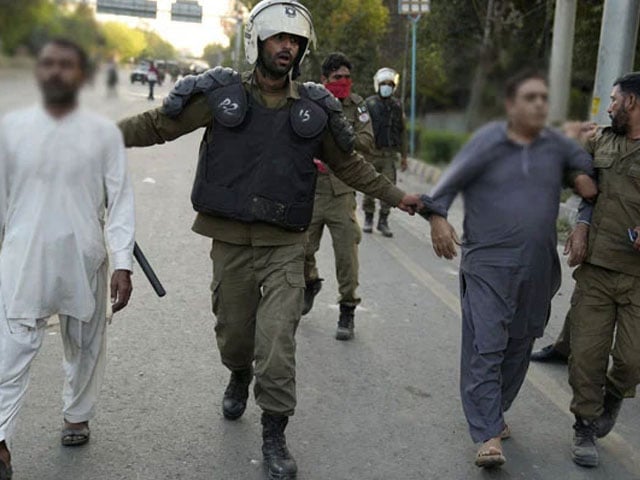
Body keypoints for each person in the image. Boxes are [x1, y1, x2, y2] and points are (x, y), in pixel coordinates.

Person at [116, 2, 421, 478]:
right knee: (235, 338)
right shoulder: (222, 95)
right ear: (257, 41)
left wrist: (401, 197)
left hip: (286, 246)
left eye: (295, 42)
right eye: (279, 39)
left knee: (277, 343)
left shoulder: (314, 109)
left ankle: (274, 434)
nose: (287, 48)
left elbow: (350, 165)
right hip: (231, 241)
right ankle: (237, 374)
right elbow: (158, 124)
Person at [419, 69, 596, 469]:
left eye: (542, 99)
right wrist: (437, 219)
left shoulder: (556, 145)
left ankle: (495, 410)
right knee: (487, 344)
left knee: (520, 343)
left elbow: (592, 186)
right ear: (511, 106)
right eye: (529, 98)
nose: (537, 105)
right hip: (488, 264)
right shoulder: (487, 142)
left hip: (536, 266)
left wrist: (581, 148)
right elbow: (446, 184)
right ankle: (485, 433)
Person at [0, 38, 135, 480]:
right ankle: (0, 443)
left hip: (85, 258)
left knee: (85, 344)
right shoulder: (12, 130)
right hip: (25, 259)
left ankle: (77, 414)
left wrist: (122, 264)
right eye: (49, 64)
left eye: (67, 65)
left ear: (82, 76)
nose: (57, 72)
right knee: (12, 351)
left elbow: (120, 203)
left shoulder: (103, 135)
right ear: (40, 73)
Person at [566, 72, 640, 468]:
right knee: (587, 355)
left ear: (631, 102)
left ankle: (613, 395)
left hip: (637, 277)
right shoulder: (600, 141)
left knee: (632, 360)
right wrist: (580, 225)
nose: (608, 106)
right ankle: (585, 424)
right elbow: (584, 187)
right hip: (596, 268)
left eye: (613, 100)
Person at [301, 52, 374, 340]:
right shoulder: (310, 101)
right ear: (324, 80)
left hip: (342, 191)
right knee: (301, 249)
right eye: (337, 78)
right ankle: (310, 282)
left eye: (346, 77)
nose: (343, 82)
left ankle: (347, 309)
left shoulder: (358, 108)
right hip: (312, 189)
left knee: (347, 255)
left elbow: (367, 141)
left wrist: (341, 142)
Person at [362, 67, 408, 238]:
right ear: (377, 85)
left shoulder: (397, 106)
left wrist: (404, 156)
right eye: (383, 84)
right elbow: (361, 128)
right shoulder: (368, 104)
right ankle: (368, 218)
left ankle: (383, 221)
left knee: (389, 190)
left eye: (390, 84)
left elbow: (402, 131)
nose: (386, 87)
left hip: (389, 156)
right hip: (371, 154)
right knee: (369, 188)